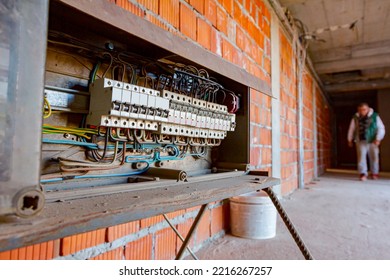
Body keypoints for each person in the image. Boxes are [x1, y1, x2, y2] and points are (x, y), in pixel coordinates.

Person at [347, 103, 385, 181]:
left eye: (364, 109)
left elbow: (381, 128)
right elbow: (351, 129)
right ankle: (363, 173)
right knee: (361, 157)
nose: (362, 111)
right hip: (360, 140)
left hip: (372, 140)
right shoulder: (355, 118)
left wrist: (378, 138)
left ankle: (374, 173)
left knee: (374, 157)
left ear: (368, 109)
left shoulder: (375, 116)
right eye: (360, 110)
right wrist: (349, 139)